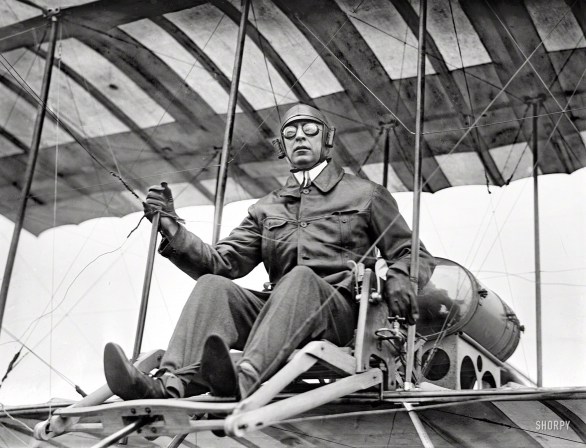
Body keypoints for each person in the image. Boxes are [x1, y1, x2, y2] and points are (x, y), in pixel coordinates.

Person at [104, 104, 435, 401]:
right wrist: (170, 226)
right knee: (212, 286)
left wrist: (399, 275)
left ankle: (243, 379)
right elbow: (220, 264)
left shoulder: (367, 194)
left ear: (327, 140)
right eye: (290, 135)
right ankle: (167, 385)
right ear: (282, 148)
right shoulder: (267, 208)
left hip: (339, 315)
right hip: (278, 314)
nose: (299, 138)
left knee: (300, 278)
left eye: (310, 131)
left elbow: (412, 252)